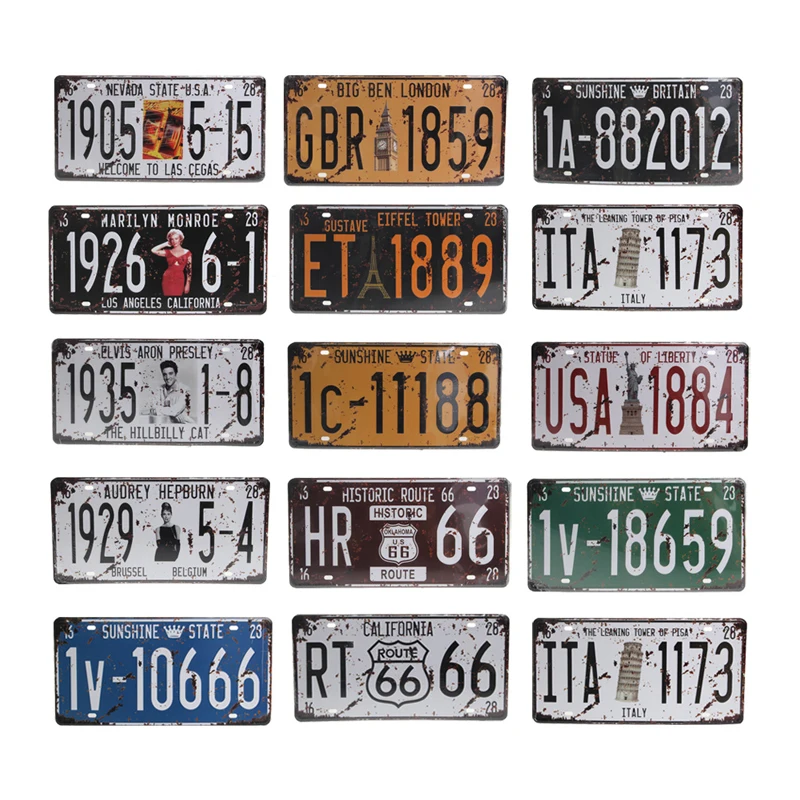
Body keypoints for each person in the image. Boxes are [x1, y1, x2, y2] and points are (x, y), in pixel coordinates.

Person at [151, 229, 192, 297]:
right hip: (167, 278)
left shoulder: (187, 252)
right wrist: (166, 244)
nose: (174, 241)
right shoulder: (168, 252)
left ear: (180, 239)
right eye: (172, 239)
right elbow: (153, 250)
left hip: (179, 279)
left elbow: (189, 270)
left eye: (176, 238)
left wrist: (188, 284)